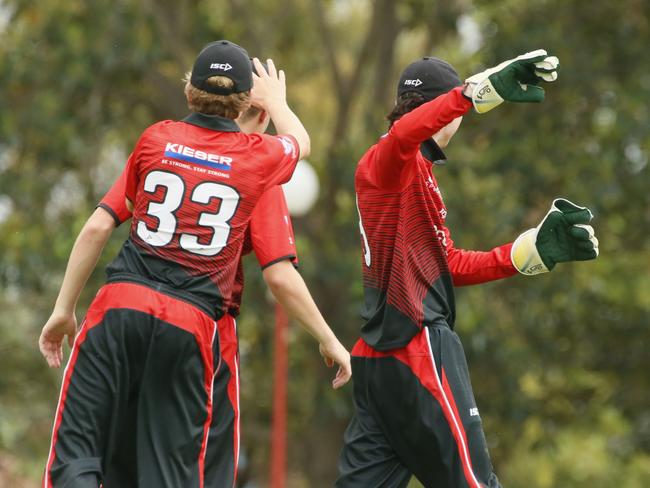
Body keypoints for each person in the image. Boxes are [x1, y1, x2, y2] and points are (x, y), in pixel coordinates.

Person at [38, 40, 320, 488]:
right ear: (249, 103)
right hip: (190, 324)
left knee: (77, 452)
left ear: (190, 90)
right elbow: (301, 143)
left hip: (118, 307)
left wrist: (62, 310)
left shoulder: (157, 137)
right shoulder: (256, 158)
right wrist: (279, 103)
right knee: (170, 473)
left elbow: (96, 228)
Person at [336, 51, 599, 487]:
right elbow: (404, 134)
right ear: (443, 111)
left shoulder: (416, 168)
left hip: (380, 360)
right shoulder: (391, 157)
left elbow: (447, 263)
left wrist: (524, 255)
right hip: (418, 348)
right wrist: (473, 93)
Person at [92, 78, 351, 487]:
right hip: (201, 334)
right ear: (262, 113)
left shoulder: (165, 145)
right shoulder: (257, 168)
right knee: (202, 469)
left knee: (121, 462)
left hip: (127, 316)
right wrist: (329, 339)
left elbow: (102, 221)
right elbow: (281, 274)